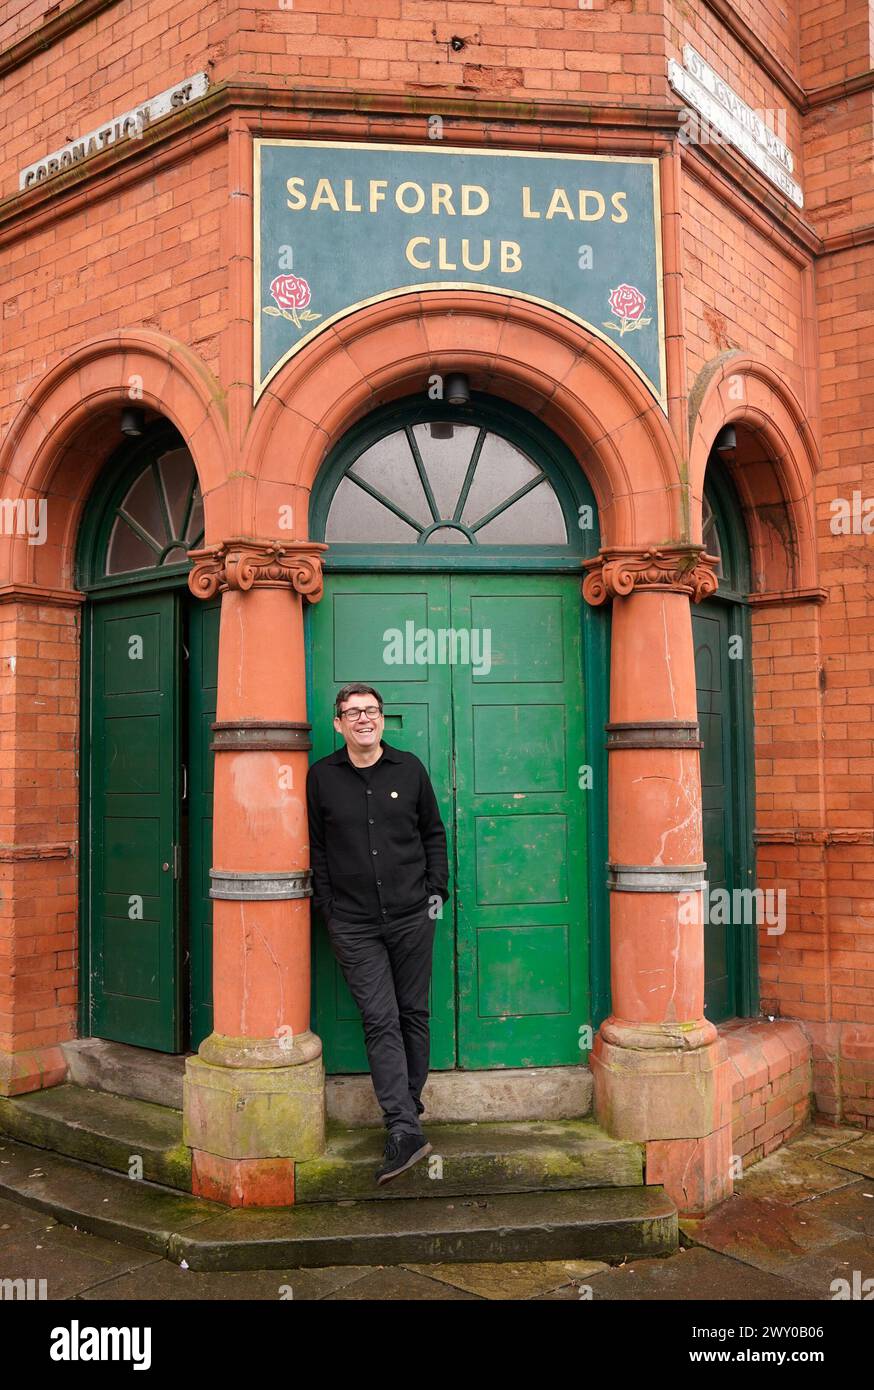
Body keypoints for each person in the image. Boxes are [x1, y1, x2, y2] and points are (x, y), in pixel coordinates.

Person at [305, 683, 449, 1184]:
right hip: (353, 922)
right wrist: (328, 908)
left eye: (370, 710)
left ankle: (407, 1116)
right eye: (352, 712)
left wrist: (437, 893)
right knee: (380, 1017)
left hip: (413, 914)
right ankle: (402, 1126)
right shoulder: (321, 777)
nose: (363, 718)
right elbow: (317, 849)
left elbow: (433, 832)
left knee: (412, 1013)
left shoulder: (408, 769)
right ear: (338, 723)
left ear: (382, 719)